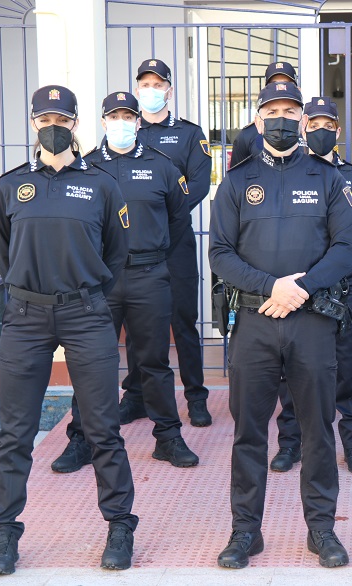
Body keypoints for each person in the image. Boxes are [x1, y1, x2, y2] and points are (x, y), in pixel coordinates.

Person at [0, 85, 138, 575]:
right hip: (26, 317)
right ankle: (3, 535)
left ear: (75, 124)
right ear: (33, 123)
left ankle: (119, 525)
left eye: (62, 118)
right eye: (44, 117)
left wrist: (84, 293)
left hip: (86, 313)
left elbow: (116, 253)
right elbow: (6, 253)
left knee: (103, 428)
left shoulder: (100, 184)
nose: (53, 125)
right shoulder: (11, 185)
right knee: (15, 434)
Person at [209, 82, 352, 569]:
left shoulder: (329, 178)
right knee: (249, 432)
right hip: (254, 322)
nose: (281, 119)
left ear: (303, 120)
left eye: (290, 111)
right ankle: (244, 532)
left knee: (318, 429)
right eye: (271, 111)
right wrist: (272, 287)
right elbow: (220, 254)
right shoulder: (235, 182)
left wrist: (303, 288)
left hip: (312, 322)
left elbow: (346, 249)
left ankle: (322, 530)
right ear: (257, 122)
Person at [52, 91, 200, 473]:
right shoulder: (84, 167)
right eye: (113, 116)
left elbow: (178, 220)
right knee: (92, 363)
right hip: (99, 280)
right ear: (102, 122)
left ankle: (168, 438)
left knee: (154, 362)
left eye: (127, 116)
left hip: (149, 276)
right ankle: (81, 441)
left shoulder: (163, 166)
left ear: (138, 122)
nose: (121, 122)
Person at [270, 97, 352, 474]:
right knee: (295, 370)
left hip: (345, 287)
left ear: (338, 130)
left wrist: (335, 268)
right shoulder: (295, 175)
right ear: (302, 128)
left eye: (327, 125)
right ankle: (290, 442)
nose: (319, 131)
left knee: (348, 368)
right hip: (303, 290)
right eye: (312, 124)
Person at [124, 57, 214, 427]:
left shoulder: (190, 134)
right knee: (136, 323)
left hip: (175, 242)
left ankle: (195, 397)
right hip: (136, 246)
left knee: (183, 320)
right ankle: (137, 396)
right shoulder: (127, 130)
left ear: (169, 90)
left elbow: (200, 184)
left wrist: (164, 212)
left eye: (157, 84)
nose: (150, 91)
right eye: (144, 84)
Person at [229, 61, 298, 168]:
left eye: (286, 83)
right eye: (274, 84)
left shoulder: (310, 130)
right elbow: (237, 179)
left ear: (298, 89)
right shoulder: (247, 135)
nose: (280, 88)